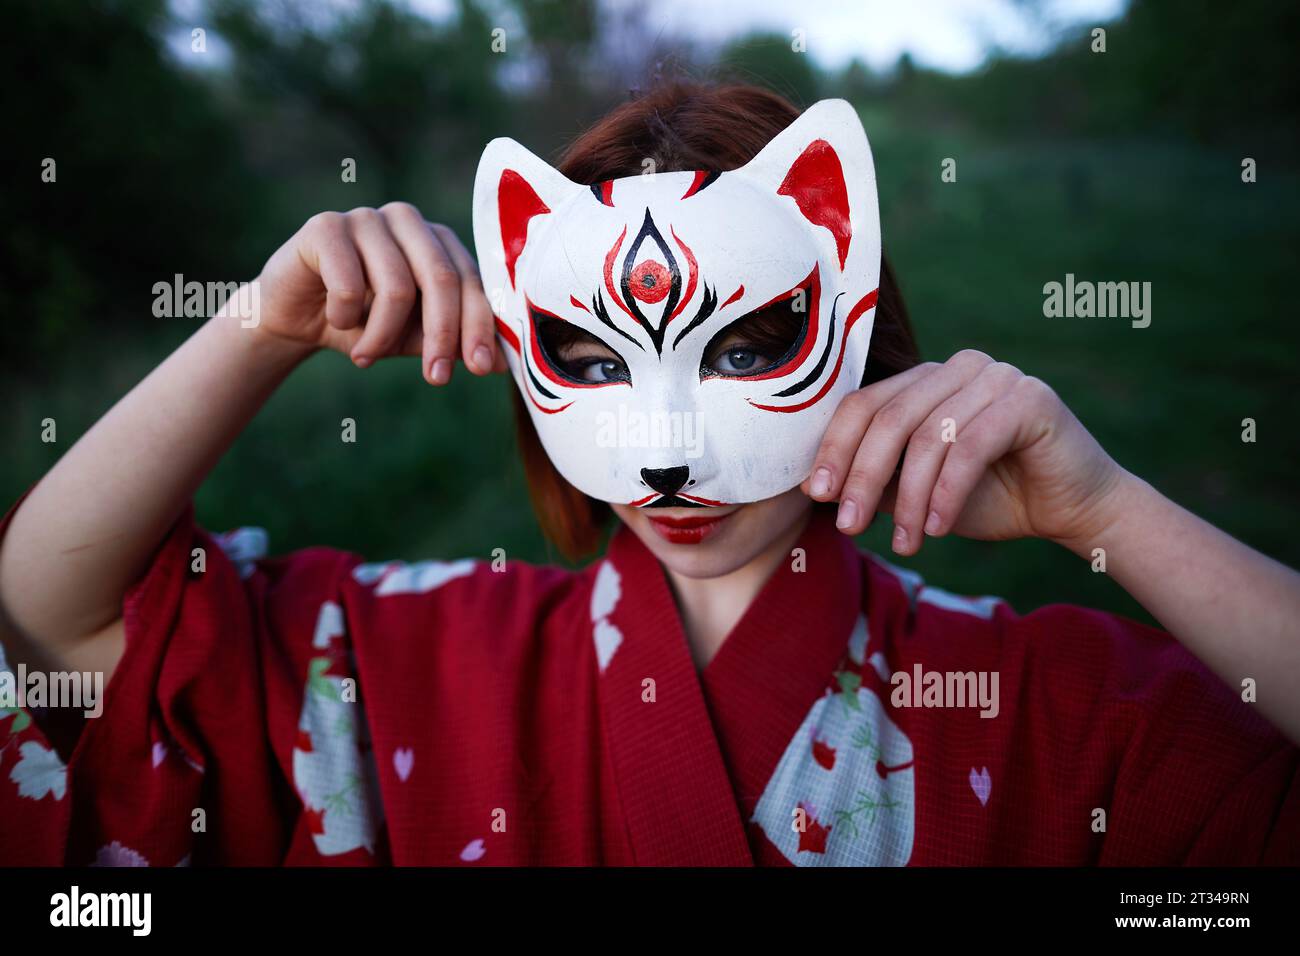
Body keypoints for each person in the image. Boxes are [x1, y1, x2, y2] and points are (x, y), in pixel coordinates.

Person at [0, 83, 1296, 867]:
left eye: (748, 342)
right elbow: (70, 624)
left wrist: (1106, 512)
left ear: (854, 306)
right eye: (587, 355)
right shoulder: (416, 658)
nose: (669, 447)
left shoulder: (1049, 711)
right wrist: (262, 326)